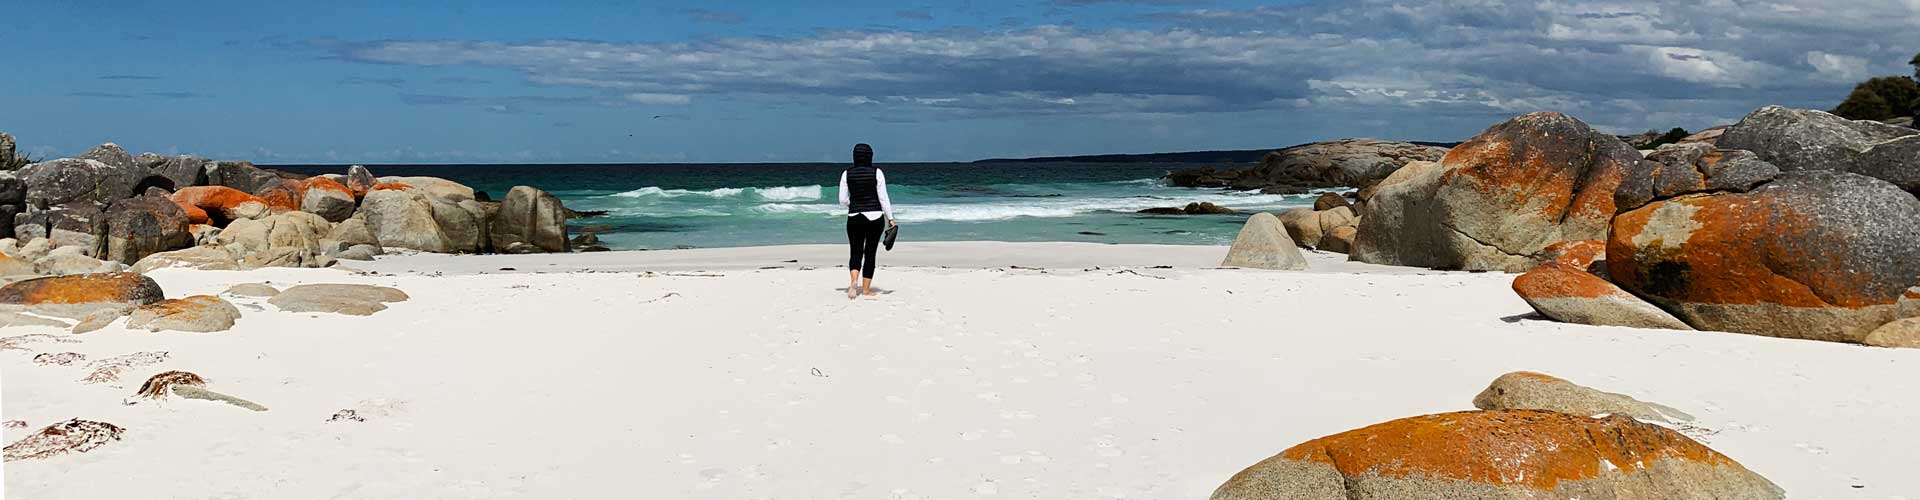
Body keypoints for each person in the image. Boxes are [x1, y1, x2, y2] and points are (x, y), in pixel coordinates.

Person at [838, 143, 895, 299]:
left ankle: (854, 282)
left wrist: (854, 204)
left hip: (854, 217)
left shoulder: (846, 173)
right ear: (870, 156)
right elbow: (883, 198)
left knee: (855, 251)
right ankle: (866, 290)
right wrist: (890, 218)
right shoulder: (877, 173)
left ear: (854, 156)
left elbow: (842, 200)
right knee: (870, 253)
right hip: (875, 217)